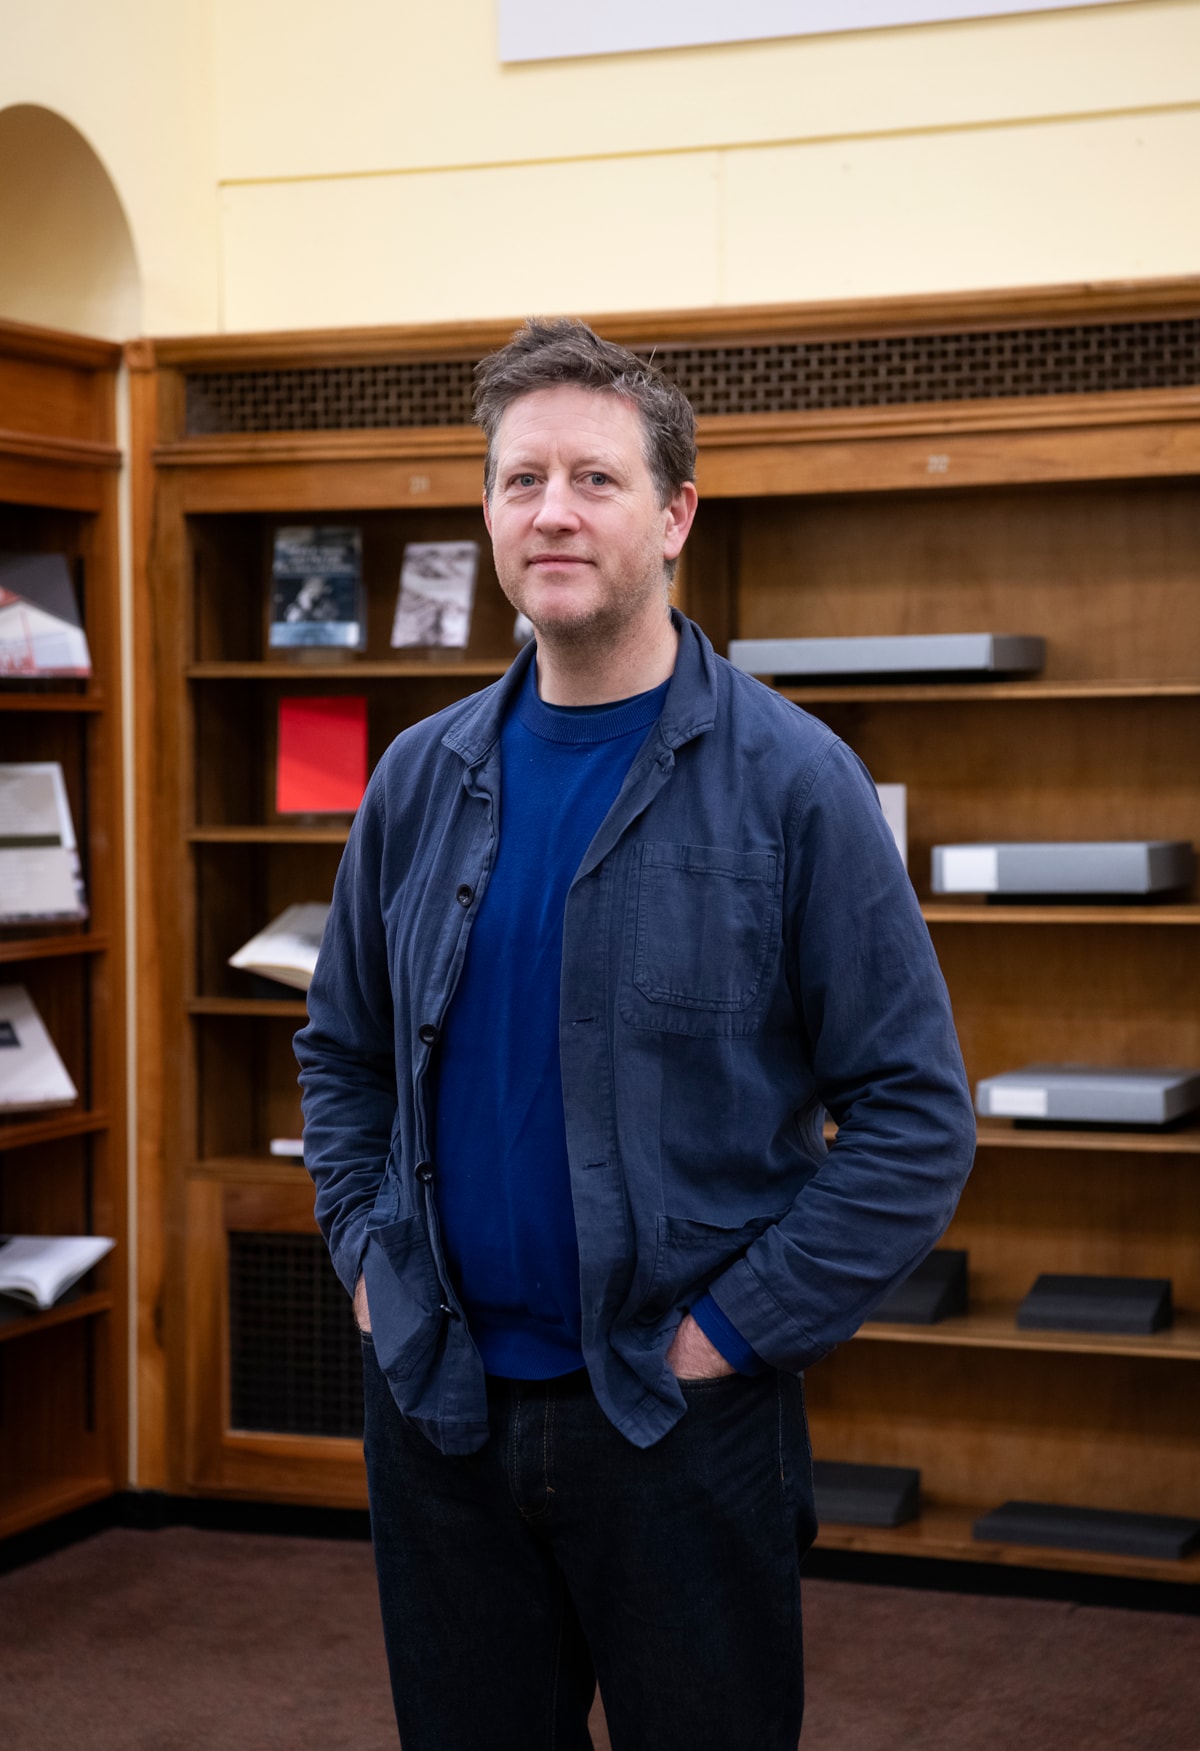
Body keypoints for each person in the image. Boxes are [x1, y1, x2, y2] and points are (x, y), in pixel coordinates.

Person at [294, 318, 976, 1751]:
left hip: (677, 1428)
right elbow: (342, 1054)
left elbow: (916, 1120)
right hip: (439, 1410)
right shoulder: (419, 781)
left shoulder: (796, 784)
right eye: (519, 478)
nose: (551, 510)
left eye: (594, 480)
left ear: (674, 517)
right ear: (486, 511)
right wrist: (367, 1262)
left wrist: (727, 1337)